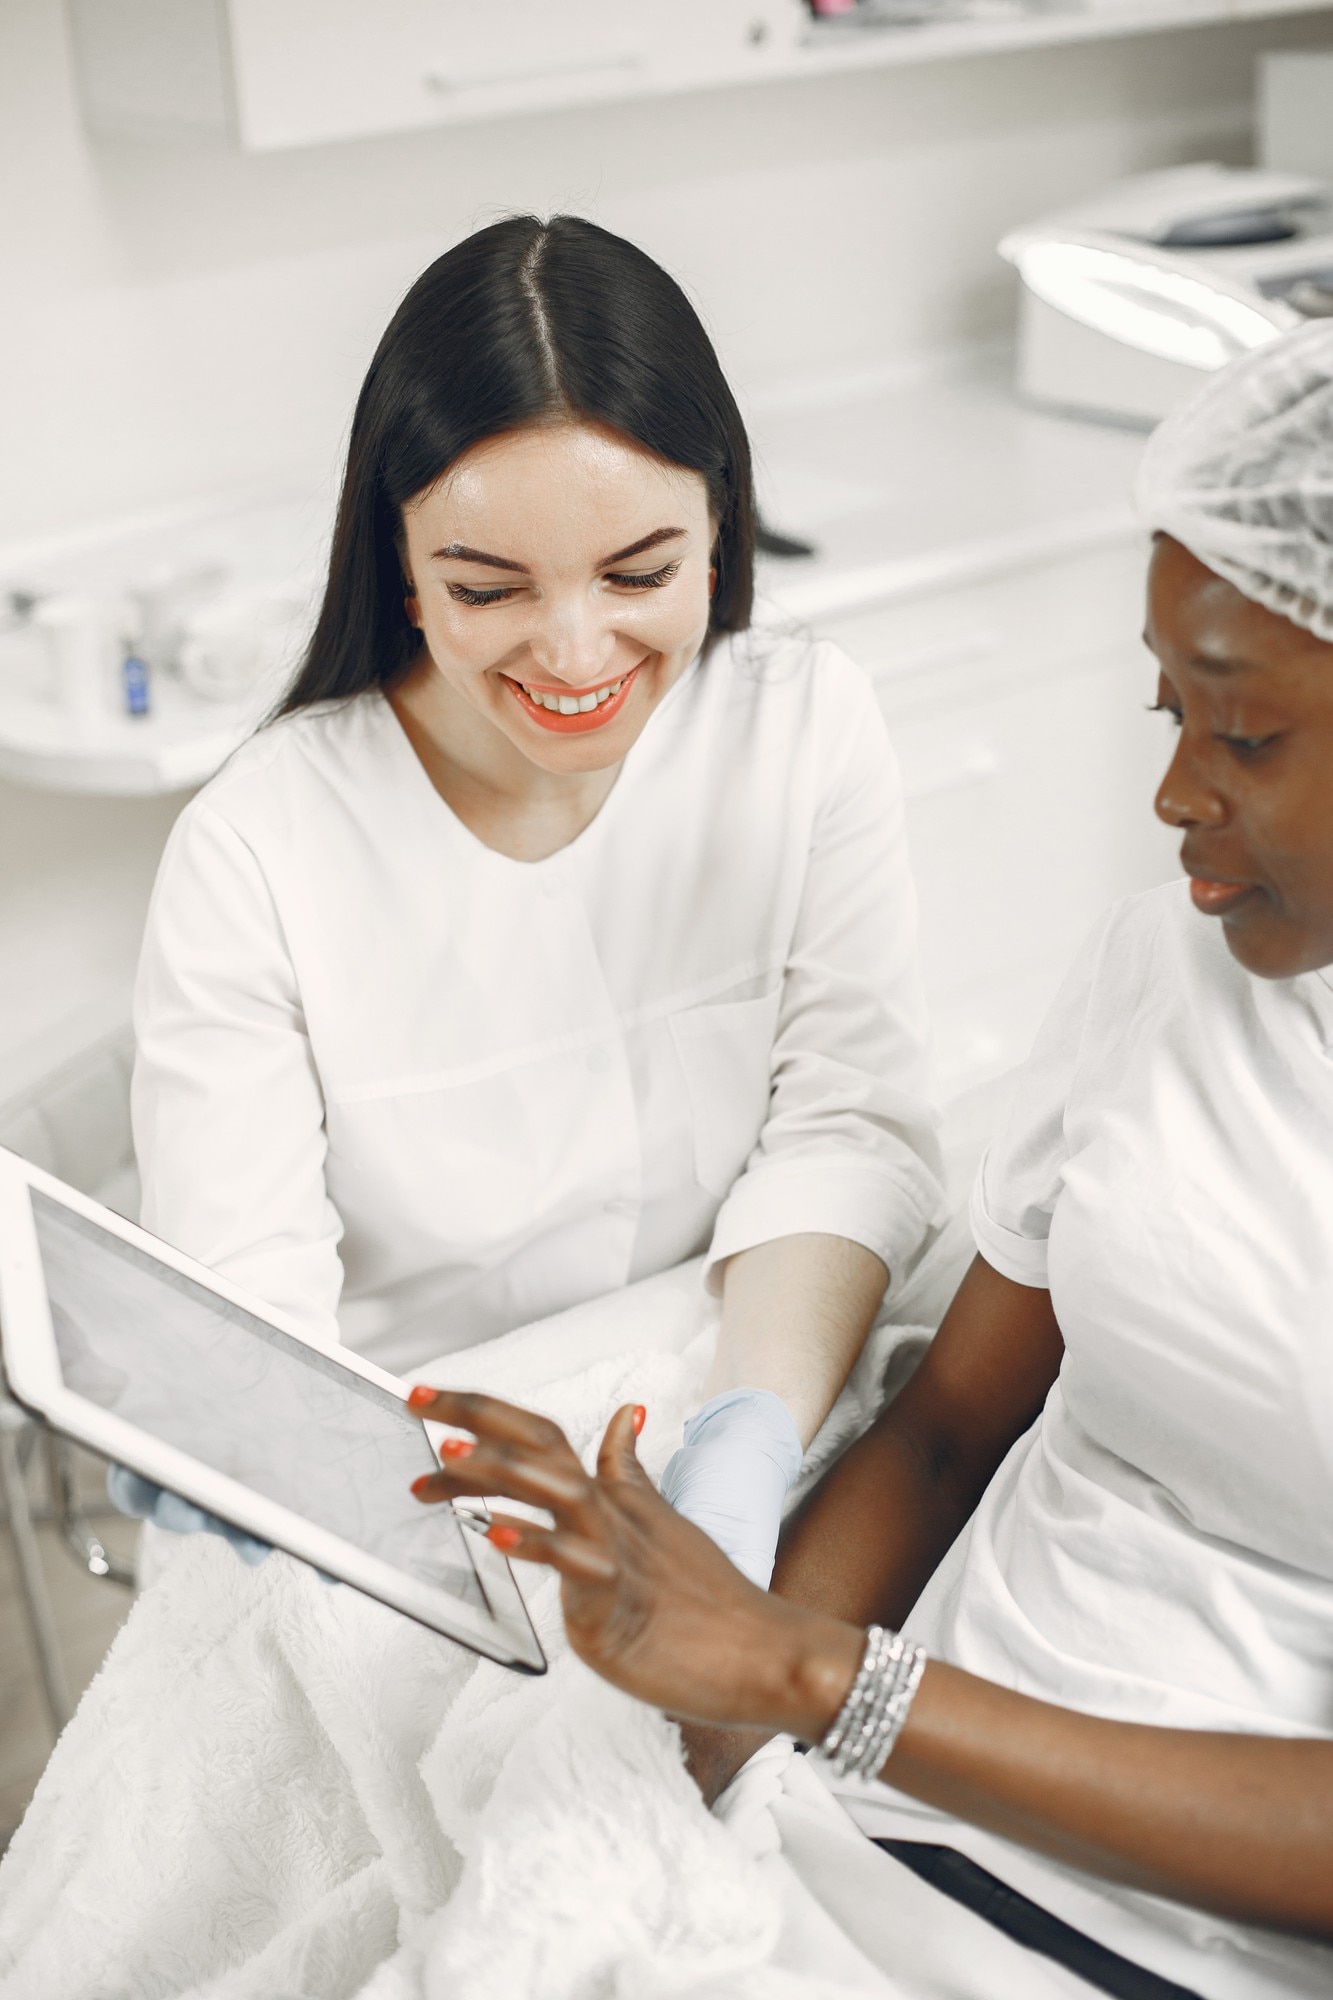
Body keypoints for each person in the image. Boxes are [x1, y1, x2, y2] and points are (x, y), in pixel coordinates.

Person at [404, 319, 1333, 2000]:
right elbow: (948, 1426)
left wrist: (815, 1678)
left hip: (1150, 1946)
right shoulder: (1162, 969)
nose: (1170, 796)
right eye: (1163, 708)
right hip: (836, 1825)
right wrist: (685, 1747)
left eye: (1243, 736)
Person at [125, 214, 945, 1587]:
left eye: (640, 573)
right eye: (486, 587)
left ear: (721, 527)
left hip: (748, 1365)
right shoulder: (258, 850)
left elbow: (846, 1124)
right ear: (401, 566)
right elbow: (253, 1305)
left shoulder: (802, 726)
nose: (574, 654)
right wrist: (255, 1439)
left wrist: (745, 1439)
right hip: (428, 1469)